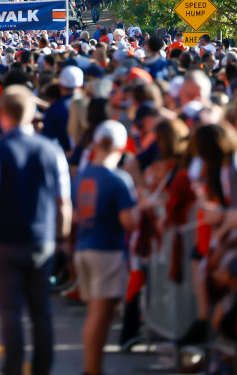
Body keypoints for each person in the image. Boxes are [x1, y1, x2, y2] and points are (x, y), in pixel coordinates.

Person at [0, 85, 72, 375]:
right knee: (41, 310)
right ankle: (42, 368)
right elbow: (64, 202)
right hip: (42, 239)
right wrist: (62, 239)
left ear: (2, 115)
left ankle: (12, 367)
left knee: (10, 310)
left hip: (4, 241)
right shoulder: (53, 151)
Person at [74, 120, 139, 375]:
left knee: (95, 314)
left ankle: (93, 367)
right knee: (99, 316)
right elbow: (129, 221)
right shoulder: (118, 179)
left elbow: (77, 215)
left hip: (84, 246)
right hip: (106, 250)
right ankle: (92, 369)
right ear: (120, 148)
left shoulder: (82, 176)